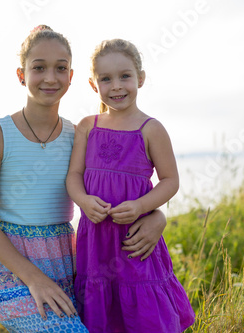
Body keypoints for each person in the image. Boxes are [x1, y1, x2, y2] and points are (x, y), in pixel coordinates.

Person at [0, 26, 168, 332]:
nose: (50, 77)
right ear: (21, 74)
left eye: (60, 68)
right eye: (39, 68)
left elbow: (118, 183)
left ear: (72, 77)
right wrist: (35, 279)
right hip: (11, 271)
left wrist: (157, 217)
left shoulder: (80, 135)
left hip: (70, 262)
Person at [66, 38, 195, 332]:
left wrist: (142, 206)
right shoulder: (87, 126)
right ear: (92, 84)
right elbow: (73, 176)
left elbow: (170, 180)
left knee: (144, 312)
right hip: (95, 242)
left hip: (134, 241)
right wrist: (84, 201)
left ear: (141, 78)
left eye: (125, 76)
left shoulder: (150, 128)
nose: (116, 86)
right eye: (105, 79)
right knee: (101, 311)